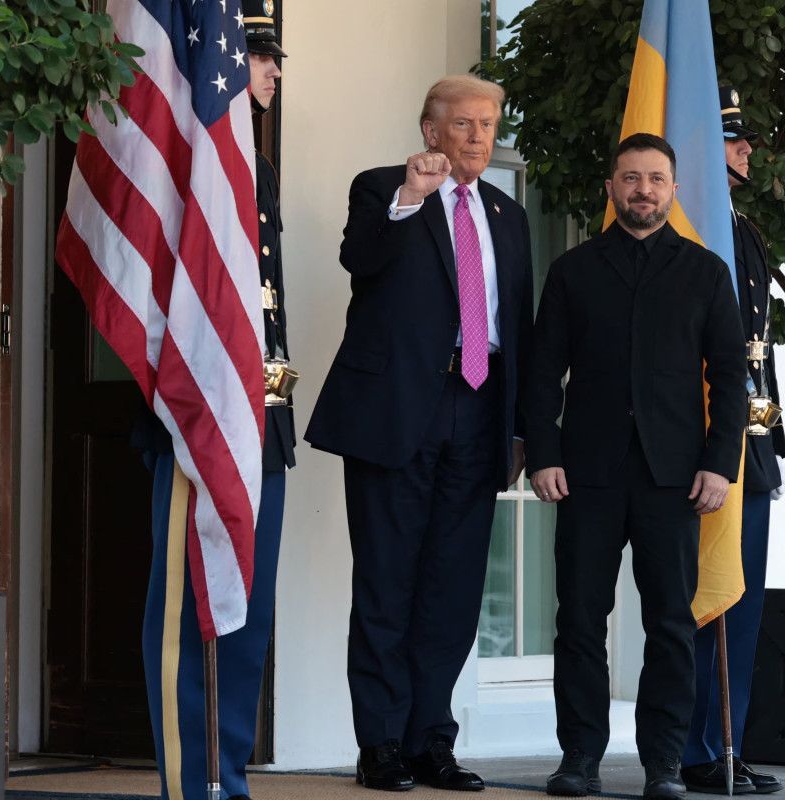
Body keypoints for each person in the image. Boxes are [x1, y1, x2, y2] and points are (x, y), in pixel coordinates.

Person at [304, 75, 533, 792]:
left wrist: (521, 428)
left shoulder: (508, 214)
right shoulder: (384, 189)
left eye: (488, 124)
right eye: (463, 123)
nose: (478, 136)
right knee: (387, 582)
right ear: (431, 131)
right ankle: (381, 744)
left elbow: (519, 328)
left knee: (452, 590)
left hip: (480, 410)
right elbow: (360, 260)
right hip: (398, 411)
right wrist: (412, 195)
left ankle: (431, 739)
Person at [527, 133, 748, 800]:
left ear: (673, 189)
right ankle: (579, 759)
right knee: (578, 622)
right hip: (586, 474)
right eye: (630, 178)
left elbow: (731, 378)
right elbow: (542, 372)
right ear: (612, 188)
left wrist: (720, 464)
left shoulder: (705, 272)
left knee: (671, 625)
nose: (642, 190)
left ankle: (664, 764)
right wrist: (543, 454)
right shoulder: (573, 271)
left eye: (654, 178)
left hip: (675, 478)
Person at [136, 5, 294, 798]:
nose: (269, 71)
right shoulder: (188, 156)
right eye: (256, 55)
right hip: (196, 414)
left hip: (262, 418)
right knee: (190, 604)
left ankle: (227, 775)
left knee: (247, 609)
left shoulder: (252, 166)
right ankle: (193, 781)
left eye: (271, 60)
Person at [680, 86, 785, 796]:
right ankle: (692, 749)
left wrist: (768, 444)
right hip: (698, 448)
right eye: (731, 138)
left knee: (741, 604)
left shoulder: (742, 232)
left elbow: (758, 357)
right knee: (700, 603)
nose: (746, 148)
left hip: (749, 443)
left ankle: (727, 744)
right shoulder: (686, 234)